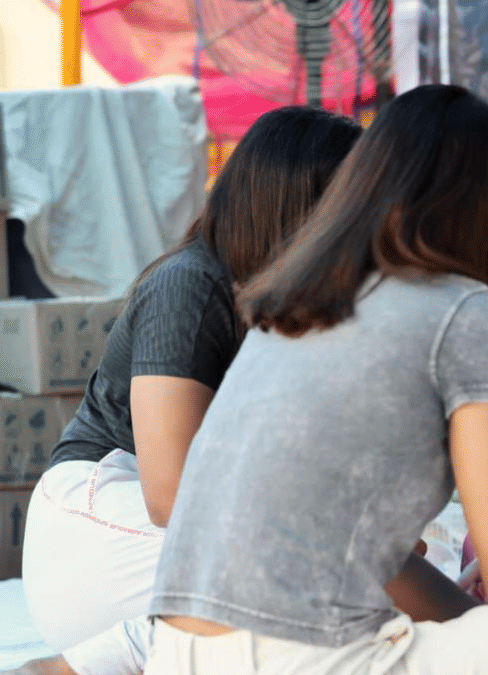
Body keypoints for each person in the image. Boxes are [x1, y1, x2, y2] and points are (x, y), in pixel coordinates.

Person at [141, 84, 488, 675]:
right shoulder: (464, 310)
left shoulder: (294, 301)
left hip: (178, 655)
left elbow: (380, 562)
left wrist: (471, 624)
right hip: (306, 659)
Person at [19, 106, 363, 674]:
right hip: (99, 516)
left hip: (180, 533)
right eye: (355, 203)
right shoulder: (190, 286)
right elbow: (170, 496)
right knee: (332, 580)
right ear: (301, 203)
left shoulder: (290, 301)